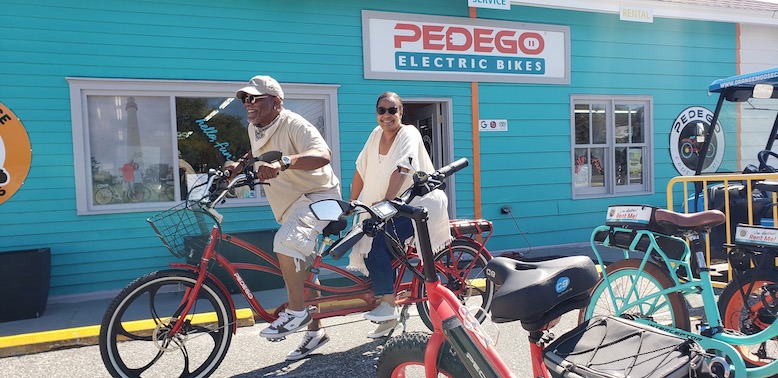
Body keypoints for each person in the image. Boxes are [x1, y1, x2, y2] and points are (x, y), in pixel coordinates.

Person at [230, 75, 341, 361]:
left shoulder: (294, 123)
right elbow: (258, 152)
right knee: (303, 268)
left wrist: (284, 162)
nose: (247, 104)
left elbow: (322, 154)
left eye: (255, 98)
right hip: (293, 204)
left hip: (319, 196)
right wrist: (239, 165)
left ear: (277, 102)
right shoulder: (255, 127)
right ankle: (315, 332)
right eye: (245, 99)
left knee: (286, 243)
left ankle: (296, 313)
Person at [348, 92, 452, 338]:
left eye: (392, 110)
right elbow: (360, 170)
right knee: (365, 238)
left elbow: (402, 168)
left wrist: (385, 202)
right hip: (388, 206)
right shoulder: (375, 136)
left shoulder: (409, 133)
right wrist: (352, 202)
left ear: (401, 113)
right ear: (376, 113)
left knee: (378, 242)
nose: (387, 115)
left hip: (417, 204)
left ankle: (387, 305)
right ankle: (390, 312)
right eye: (382, 110)